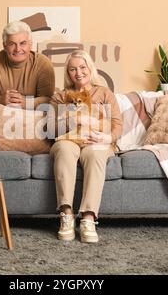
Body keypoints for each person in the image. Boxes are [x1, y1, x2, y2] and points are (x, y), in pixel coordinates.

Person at [48, 50, 123, 243]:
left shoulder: (105, 93)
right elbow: (49, 128)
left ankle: (88, 218)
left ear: (90, 68)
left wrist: (106, 138)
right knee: (64, 150)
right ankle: (66, 214)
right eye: (73, 69)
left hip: (97, 142)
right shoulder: (60, 96)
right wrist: (76, 119)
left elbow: (117, 125)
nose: (78, 72)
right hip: (68, 140)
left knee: (95, 154)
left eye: (82, 67)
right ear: (68, 73)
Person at [0, 21, 55, 109]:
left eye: (23, 43)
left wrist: (26, 103)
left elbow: (49, 100)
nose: (17, 49)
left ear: (30, 45)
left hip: (33, 116)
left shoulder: (43, 63)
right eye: (12, 44)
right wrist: (0, 100)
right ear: (4, 45)